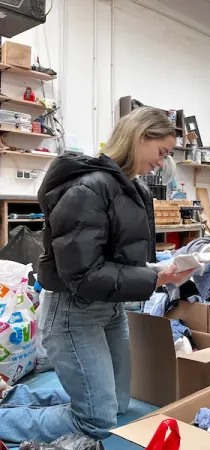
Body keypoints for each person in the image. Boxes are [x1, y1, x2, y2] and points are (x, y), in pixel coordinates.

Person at [0, 107, 194, 444]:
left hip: (109, 307)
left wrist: (158, 270)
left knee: (117, 405)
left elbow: (118, 259)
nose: (162, 163)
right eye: (161, 152)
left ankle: (13, 400)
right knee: (97, 420)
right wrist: (154, 280)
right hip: (74, 312)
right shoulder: (88, 188)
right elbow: (82, 273)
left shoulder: (133, 188)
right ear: (139, 137)